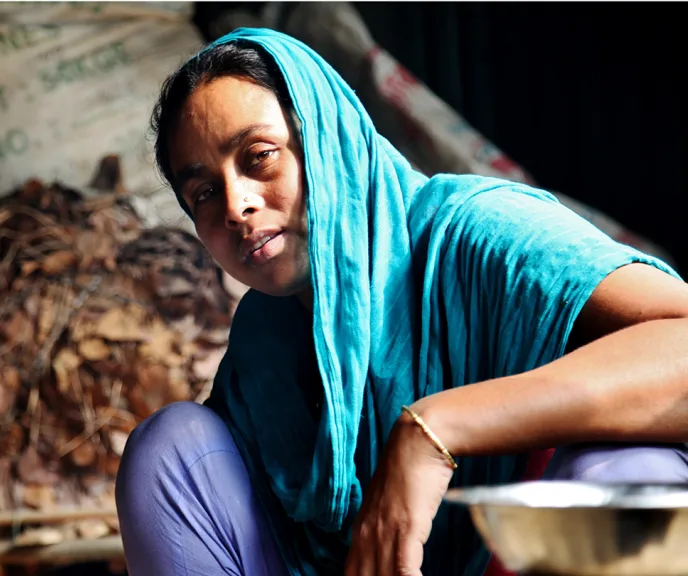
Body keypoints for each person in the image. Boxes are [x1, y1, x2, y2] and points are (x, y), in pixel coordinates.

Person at [115, 28, 688, 576]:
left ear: (329, 138)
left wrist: (434, 428)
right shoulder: (264, 349)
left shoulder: (471, 230)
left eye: (259, 156)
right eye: (204, 193)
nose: (236, 204)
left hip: (524, 560)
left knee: (630, 479)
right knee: (170, 453)